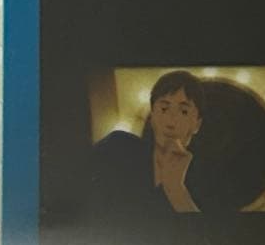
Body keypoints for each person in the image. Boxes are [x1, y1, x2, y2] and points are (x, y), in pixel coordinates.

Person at [89, 71, 208, 227]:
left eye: (183, 111)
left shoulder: (206, 178)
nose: (171, 121)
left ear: (197, 124)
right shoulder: (118, 147)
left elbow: (204, 236)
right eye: (164, 109)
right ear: (152, 116)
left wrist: (175, 188)